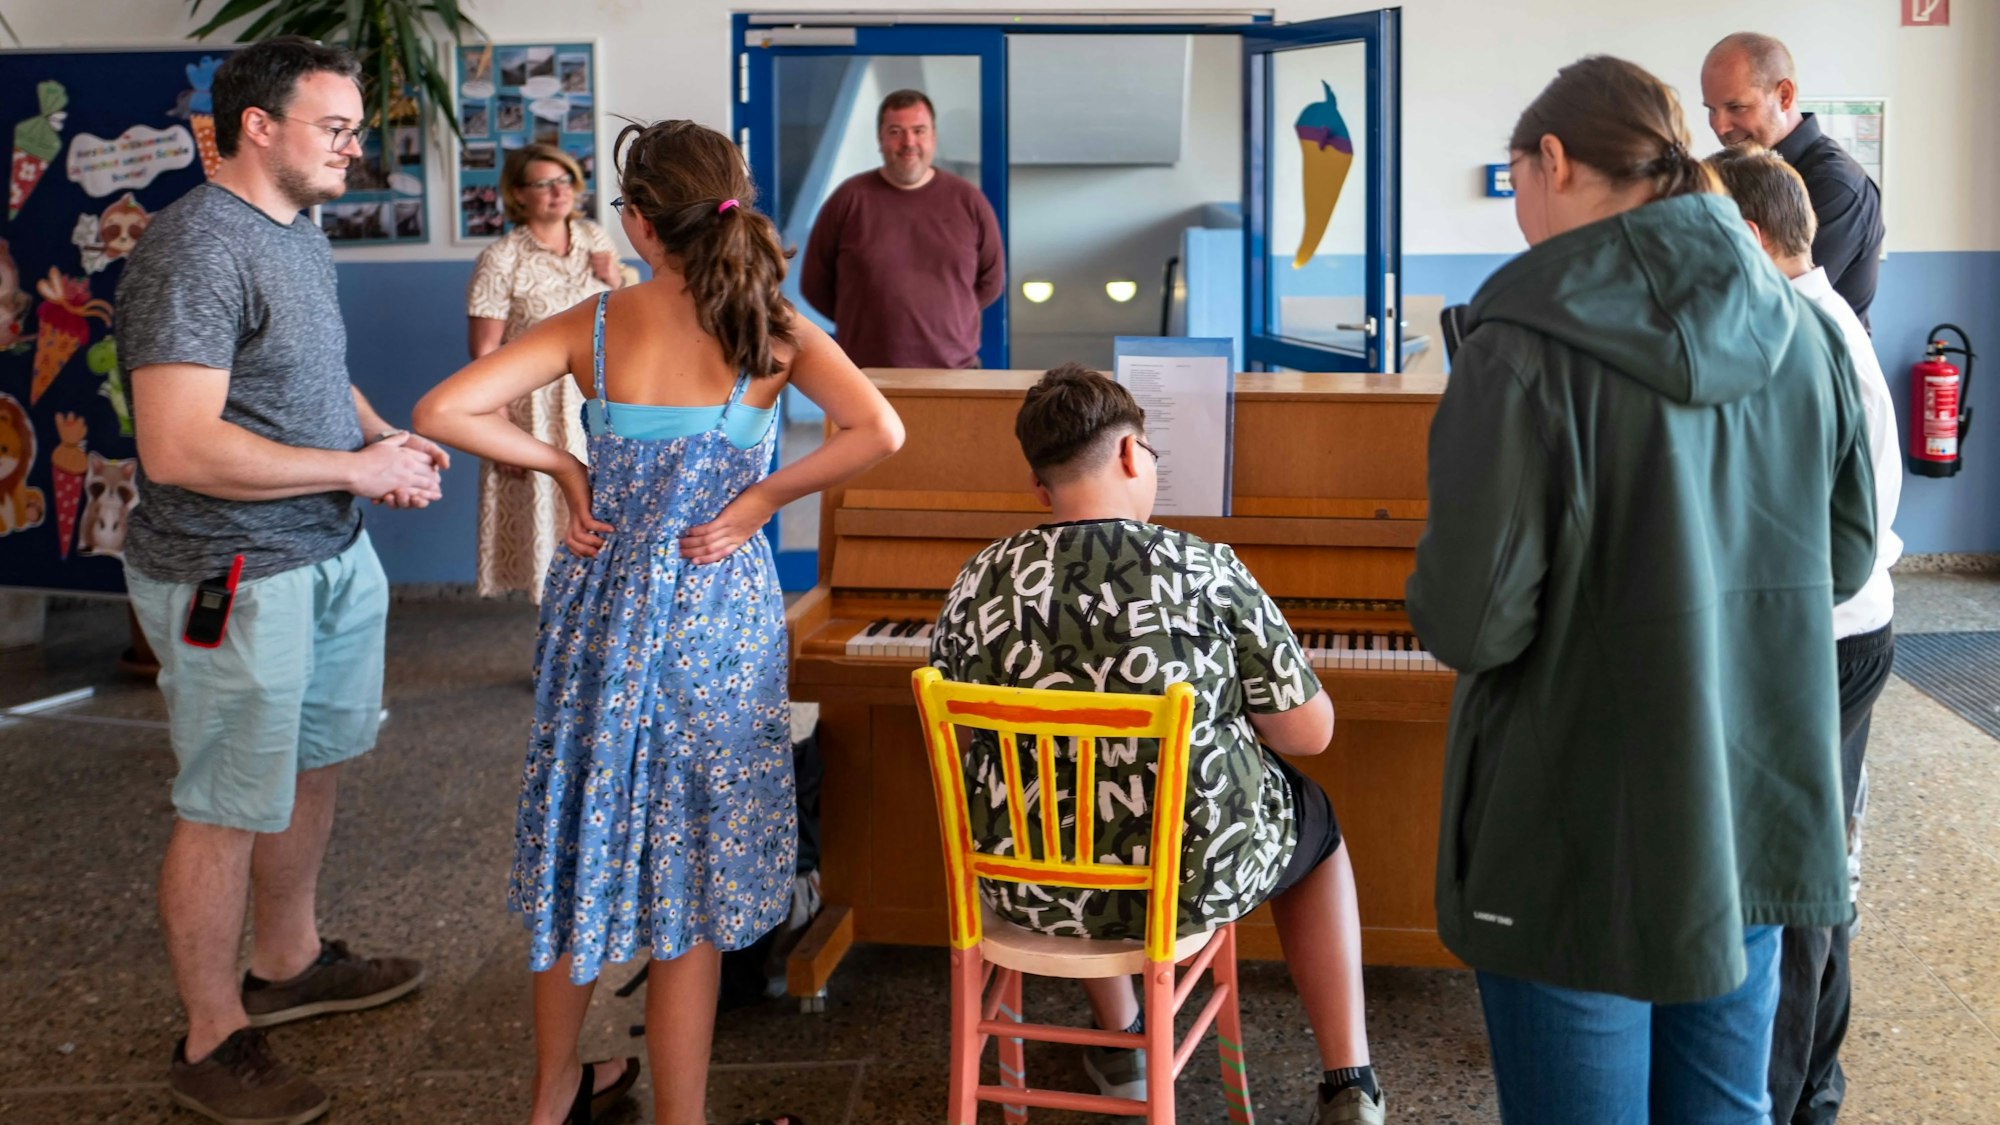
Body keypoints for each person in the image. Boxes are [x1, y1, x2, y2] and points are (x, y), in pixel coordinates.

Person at [1405, 56, 1876, 1124]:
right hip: (1744, 798)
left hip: (1572, 821)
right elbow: (1842, 563)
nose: (1515, 201)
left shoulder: (1516, 346)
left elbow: (1471, 621)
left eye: (1514, 174)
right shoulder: (1802, 330)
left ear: (1554, 160)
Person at [413, 118, 903, 1125]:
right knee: (691, 882)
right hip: (718, 616)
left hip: (602, 606)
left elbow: (441, 412)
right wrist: (762, 501)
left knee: (578, 851)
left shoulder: (593, 325)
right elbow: (879, 430)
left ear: (636, 224)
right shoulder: (770, 329)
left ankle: (549, 1101)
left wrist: (560, 465)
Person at [114, 36, 445, 1125]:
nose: (354, 147)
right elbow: (178, 447)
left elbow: (308, 369)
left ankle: (289, 961)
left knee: (315, 763)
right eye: (335, 128)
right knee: (224, 804)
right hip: (232, 578)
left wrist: (378, 436)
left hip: (329, 551)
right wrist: (359, 467)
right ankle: (211, 1034)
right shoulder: (192, 248)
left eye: (353, 128)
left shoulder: (295, 228)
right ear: (258, 126)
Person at [929, 365, 1386, 1125]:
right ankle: (1349, 1081)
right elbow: (1310, 733)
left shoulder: (976, 580)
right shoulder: (1204, 567)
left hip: (1028, 890)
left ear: (1040, 489)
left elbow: (970, 731)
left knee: (1066, 804)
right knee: (1319, 826)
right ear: (1134, 453)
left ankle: (1125, 1043)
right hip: (1188, 881)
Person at [1707, 145, 1902, 1125]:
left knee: (1786, 892)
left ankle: (1775, 1098)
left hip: (1820, 641)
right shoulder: (1814, 320)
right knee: (1812, 875)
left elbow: (1824, 541)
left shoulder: (1800, 337)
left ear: (1744, 237)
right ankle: (1809, 1092)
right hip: (1836, 631)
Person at [466, 143, 624, 602]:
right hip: (532, 409)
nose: (559, 192)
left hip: (599, 399)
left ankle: (596, 648)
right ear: (518, 195)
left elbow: (623, 313)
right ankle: (556, 655)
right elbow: (484, 352)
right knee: (550, 533)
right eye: (544, 184)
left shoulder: (597, 239)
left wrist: (615, 279)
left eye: (565, 181)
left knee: (606, 522)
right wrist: (496, 428)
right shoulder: (501, 258)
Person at [800, 89, 1004, 369]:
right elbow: (814, 284)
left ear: (933, 136)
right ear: (880, 139)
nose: (909, 142)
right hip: (865, 376)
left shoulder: (969, 201)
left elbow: (991, 282)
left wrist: (950, 314)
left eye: (919, 130)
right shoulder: (848, 199)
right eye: (896, 131)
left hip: (955, 373)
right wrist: (864, 318)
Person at [1702, 32, 1885, 326]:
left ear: (1784, 95)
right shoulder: (1737, 173)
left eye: (1736, 107)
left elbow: (1770, 304)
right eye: (1711, 110)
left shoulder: (1835, 186)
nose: (1720, 126)